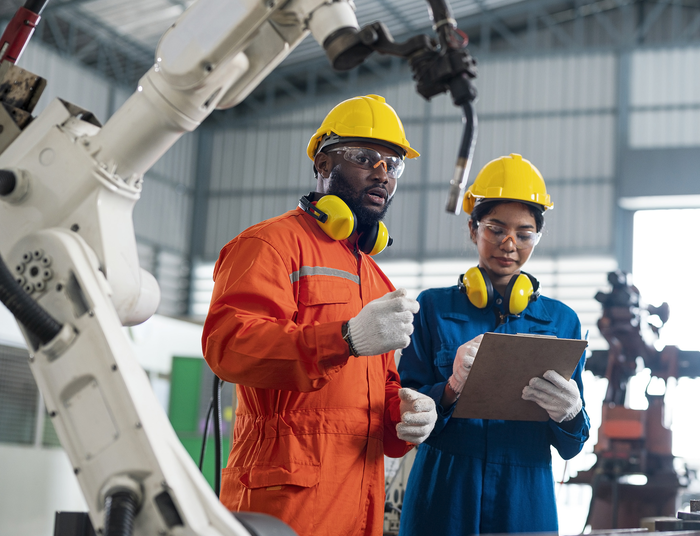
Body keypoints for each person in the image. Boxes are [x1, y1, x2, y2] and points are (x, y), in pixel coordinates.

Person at [202, 94, 437, 536]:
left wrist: (403, 414)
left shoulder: (376, 278)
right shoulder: (270, 245)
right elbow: (229, 347)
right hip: (284, 502)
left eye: (393, 163)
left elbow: (377, 393)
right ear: (324, 165)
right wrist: (344, 338)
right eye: (366, 157)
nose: (382, 173)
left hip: (359, 501)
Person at [396, 154, 591, 535]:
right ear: (472, 229)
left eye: (524, 233)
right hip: (445, 491)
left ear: (537, 237)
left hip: (525, 496)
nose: (509, 243)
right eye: (495, 228)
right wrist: (450, 389)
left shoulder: (562, 320)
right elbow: (403, 412)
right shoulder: (433, 308)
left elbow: (572, 445)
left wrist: (569, 414)